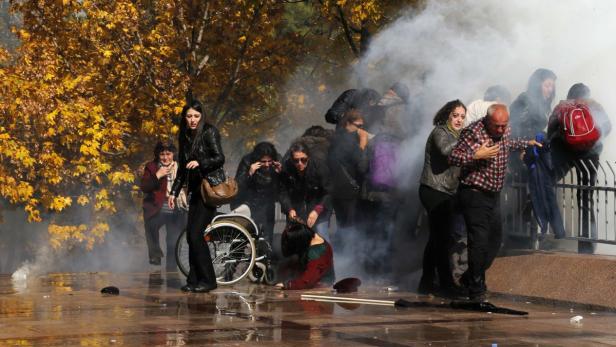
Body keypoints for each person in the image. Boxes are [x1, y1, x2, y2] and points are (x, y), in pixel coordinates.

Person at [448, 104, 541, 301]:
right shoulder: (473, 132)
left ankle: (468, 279)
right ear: (487, 121)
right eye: (497, 126)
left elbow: (509, 143)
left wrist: (528, 142)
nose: (501, 130)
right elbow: (453, 157)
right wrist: (476, 155)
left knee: (494, 240)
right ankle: (477, 289)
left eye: (504, 126)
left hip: (493, 194)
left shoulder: (505, 131)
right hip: (474, 193)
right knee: (479, 241)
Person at [169, 99, 225, 293]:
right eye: (189, 116)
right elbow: (183, 169)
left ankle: (208, 280)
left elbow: (219, 158)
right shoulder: (184, 136)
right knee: (191, 236)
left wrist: (201, 162)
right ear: (184, 118)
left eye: (196, 116)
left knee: (195, 234)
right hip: (194, 189)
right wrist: (174, 192)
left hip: (209, 190)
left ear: (201, 117)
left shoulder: (209, 131)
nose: (193, 120)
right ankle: (194, 279)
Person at [548, 83, 611, 249]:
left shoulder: (562, 106)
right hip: (589, 157)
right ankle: (586, 245)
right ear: (587, 94)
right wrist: (593, 142)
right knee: (585, 199)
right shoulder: (594, 105)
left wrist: (564, 142)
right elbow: (608, 127)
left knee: (547, 184)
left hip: (566, 155)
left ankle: (535, 222)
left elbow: (550, 132)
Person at [418, 100, 466, 296]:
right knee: (442, 239)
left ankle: (426, 282)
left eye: (462, 117)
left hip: (448, 191)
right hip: (433, 189)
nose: (459, 120)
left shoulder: (460, 135)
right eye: (456, 116)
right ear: (447, 115)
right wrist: (466, 140)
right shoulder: (440, 132)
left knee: (436, 239)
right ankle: (446, 284)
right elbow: (447, 151)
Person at [140, 141, 188, 270]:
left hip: (177, 209)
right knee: (150, 225)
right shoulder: (152, 166)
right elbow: (144, 187)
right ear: (157, 155)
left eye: (168, 153)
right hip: (158, 208)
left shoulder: (180, 166)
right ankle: (155, 256)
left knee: (172, 242)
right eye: (162, 154)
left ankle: (171, 273)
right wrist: (158, 175)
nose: (165, 157)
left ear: (173, 154)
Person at [327, 110, 368, 249]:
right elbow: (360, 162)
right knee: (349, 226)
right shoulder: (348, 139)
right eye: (358, 126)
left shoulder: (336, 137)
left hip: (336, 188)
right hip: (347, 190)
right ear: (348, 123)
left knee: (342, 224)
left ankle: (342, 255)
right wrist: (363, 142)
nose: (360, 129)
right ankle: (348, 256)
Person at [279, 142, 332, 241]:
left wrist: (317, 210)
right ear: (291, 159)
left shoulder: (319, 166)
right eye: (296, 160)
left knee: (321, 236)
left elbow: (328, 192)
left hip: (319, 207)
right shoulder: (286, 168)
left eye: (303, 160)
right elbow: (283, 192)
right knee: (296, 239)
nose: (300, 163)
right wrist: (289, 208)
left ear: (309, 157)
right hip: (297, 210)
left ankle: (327, 256)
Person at [232, 142, 282, 245]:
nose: (267, 164)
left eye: (269, 161)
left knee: (267, 234)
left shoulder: (277, 161)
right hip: (248, 202)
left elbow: (283, 187)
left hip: (268, 202)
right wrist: (249, 173)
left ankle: (266, 255)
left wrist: (280, 174)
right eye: (263, 162)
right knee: (248, 235)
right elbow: (237, 185)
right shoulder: (247, 161)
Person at [275, 221, 335, 290]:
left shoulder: (315, 253)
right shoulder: (308, 236)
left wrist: (287, 285)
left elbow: (307, 282)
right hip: (309, 278)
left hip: (320, 286)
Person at [510, 68, 557, 137]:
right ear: (536, 86)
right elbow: (515, 128)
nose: (551, 90)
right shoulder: (525, 100)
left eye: (552, 86)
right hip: (521, 145)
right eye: (547, 86)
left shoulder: (542, 103)